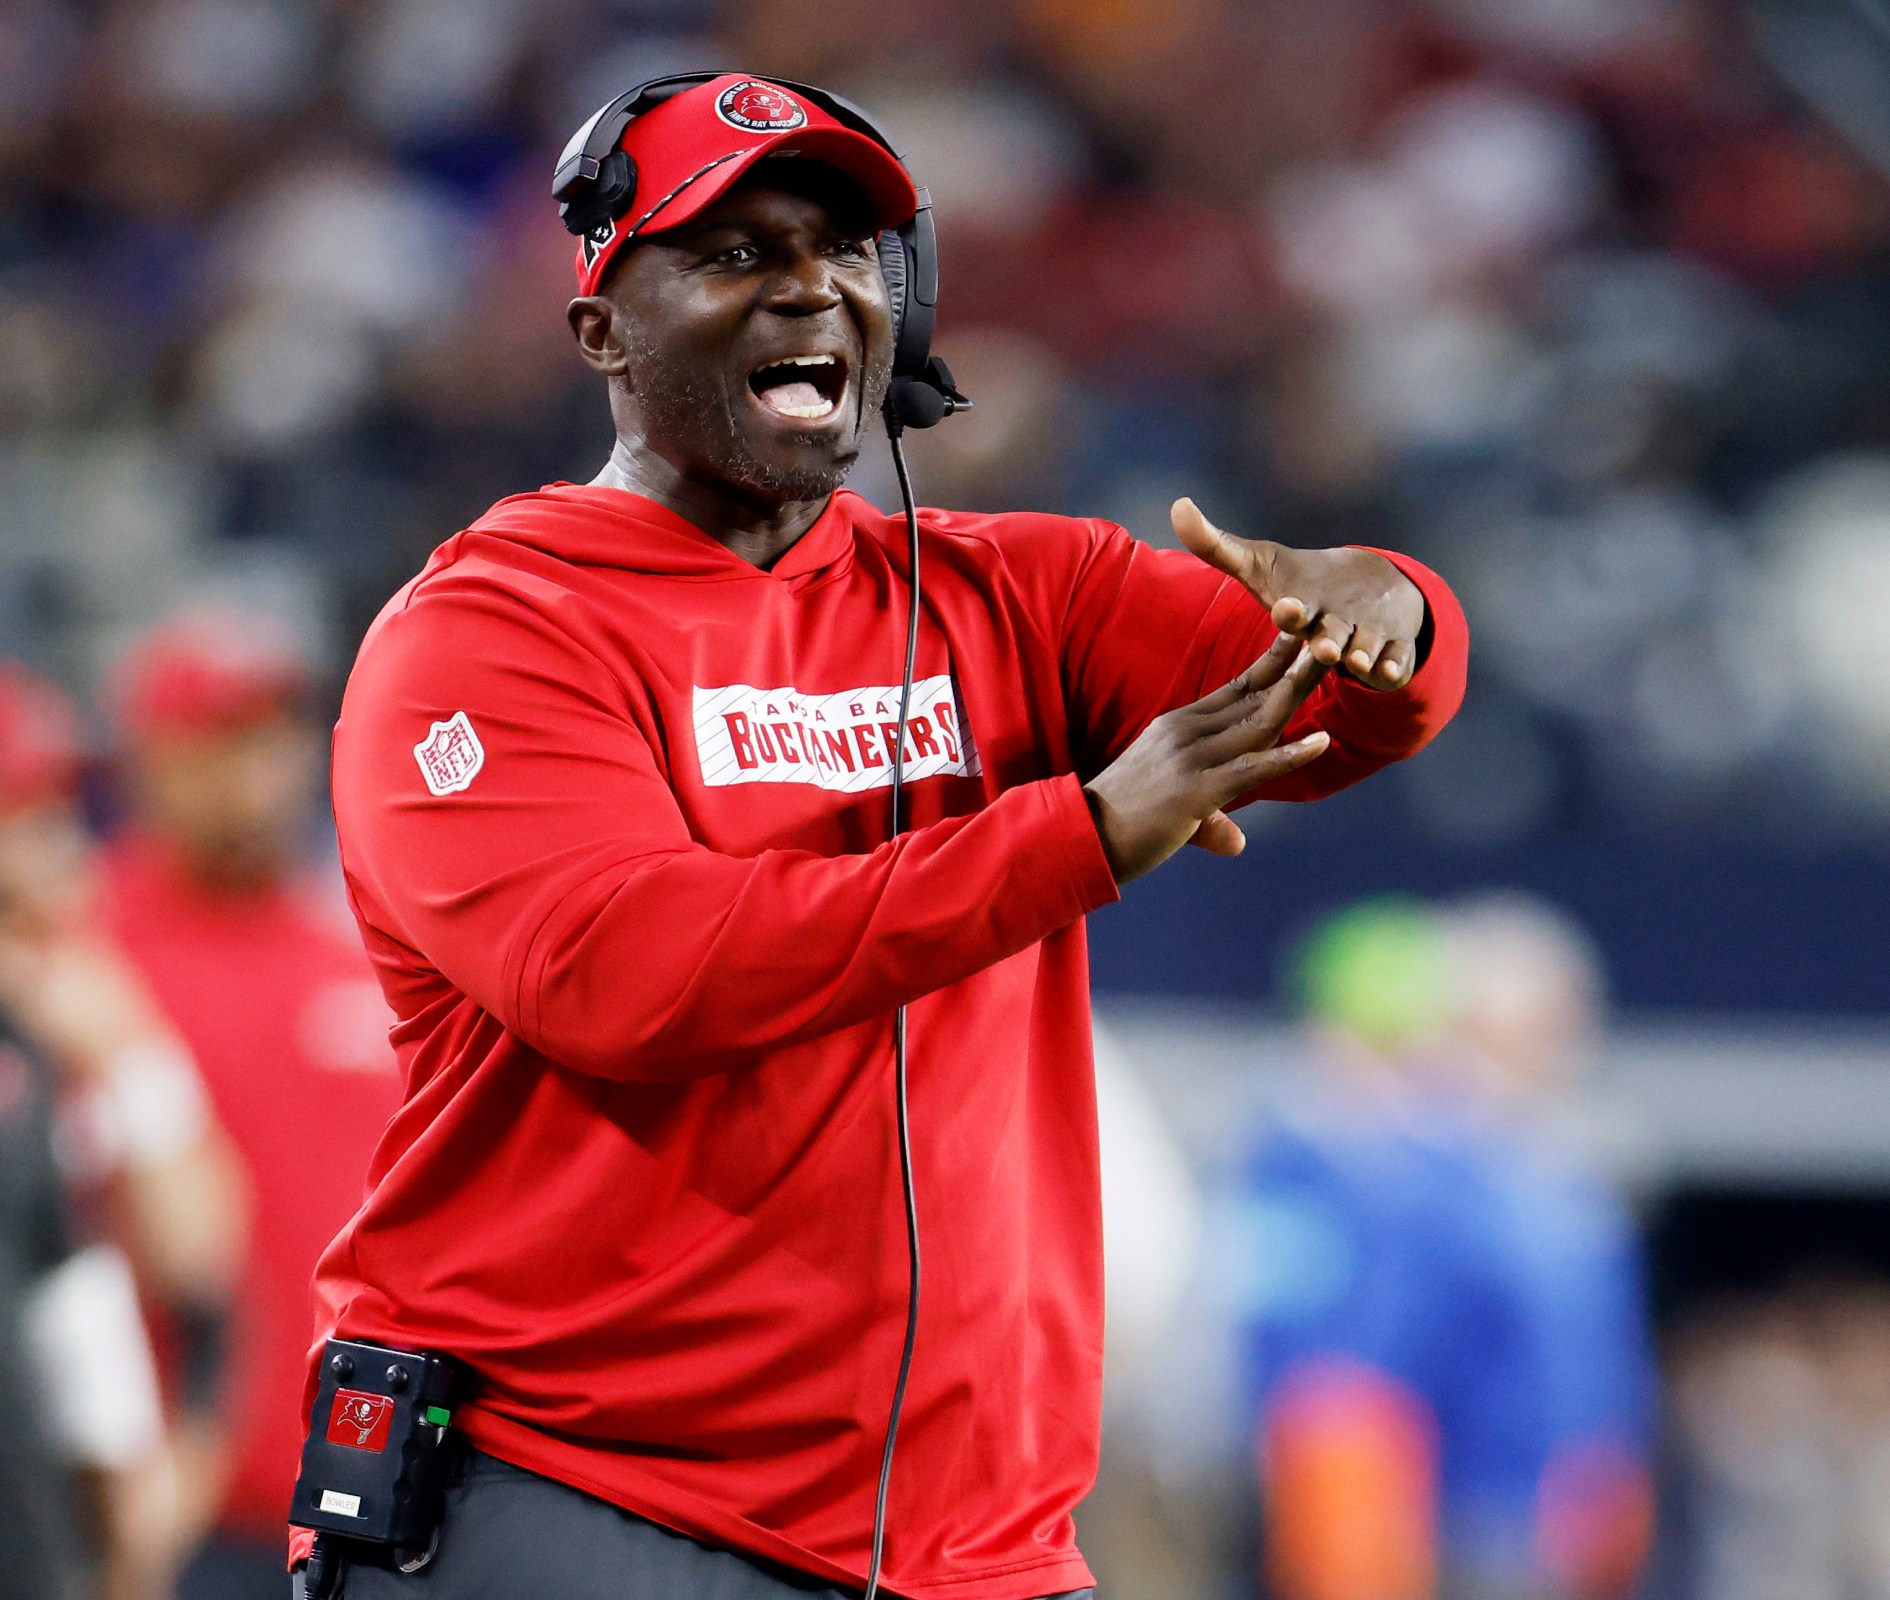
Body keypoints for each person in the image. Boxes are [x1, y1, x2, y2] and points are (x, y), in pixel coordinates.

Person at [310, 74, 1467, 1600]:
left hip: (973, 1555)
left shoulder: (1008, 594)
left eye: (846, 250)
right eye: (733, 254)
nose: (808, 285)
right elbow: (628, 974)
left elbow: (1348, 707)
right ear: (604, 331)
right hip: (584, 1499)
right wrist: (1081, 835)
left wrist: (1389, 606)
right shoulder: (488, 636)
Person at [95, 614, 403, 1600]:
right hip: (168, 1513)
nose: (256, 767)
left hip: (365, 1495)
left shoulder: (368, 944)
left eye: (272, 732)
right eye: (222, 738)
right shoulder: (87, 960)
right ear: (154, 758)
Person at [1241, 896, 1654, 1600]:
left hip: (1555, 1509)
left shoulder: (1554, 1175)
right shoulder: (1398, 1177)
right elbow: (1350, 1374)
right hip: (1467, 1514)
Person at [0, 660, 245, 1600]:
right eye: (28, 812)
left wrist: (131, 1056)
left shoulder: (80, 1003)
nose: (60, 843)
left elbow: (199, 1253)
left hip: (56, 1518)